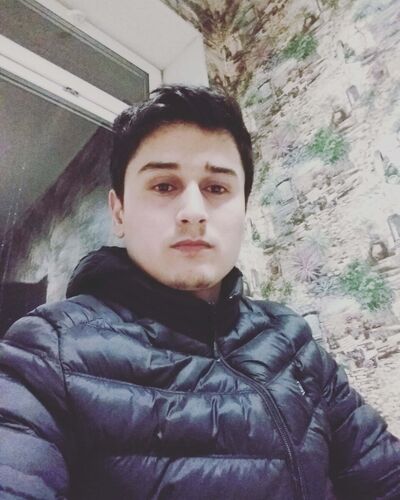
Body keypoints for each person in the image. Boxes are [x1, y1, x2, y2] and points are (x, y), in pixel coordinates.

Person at [0, 85, 399, 500]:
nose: (193, 212)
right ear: (119, 212)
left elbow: (384, 474)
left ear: (243, 210)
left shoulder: (291, 338)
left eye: (217, 188)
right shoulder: (47, 349)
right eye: (163, 186)